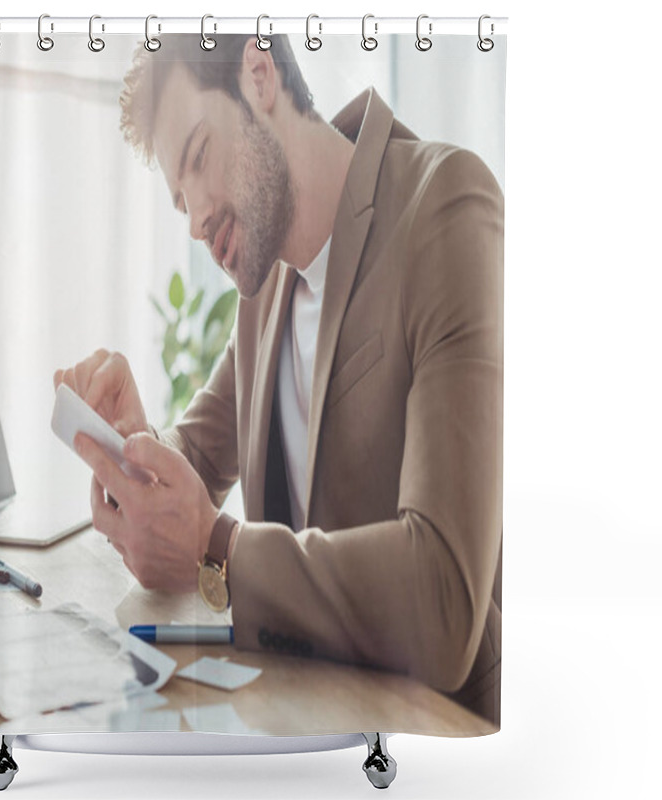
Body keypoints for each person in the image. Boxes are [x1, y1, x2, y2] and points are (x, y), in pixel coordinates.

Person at [54, 34, 503, 723]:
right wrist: (132, 450)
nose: (199, 217)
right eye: (181, 200)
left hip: (434, 725)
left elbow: (445, 599)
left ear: (260, 74)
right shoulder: (263, 296)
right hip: (308, 712)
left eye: (201, 155)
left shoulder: (443, 208)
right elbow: (194, 462)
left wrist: (222, 550)